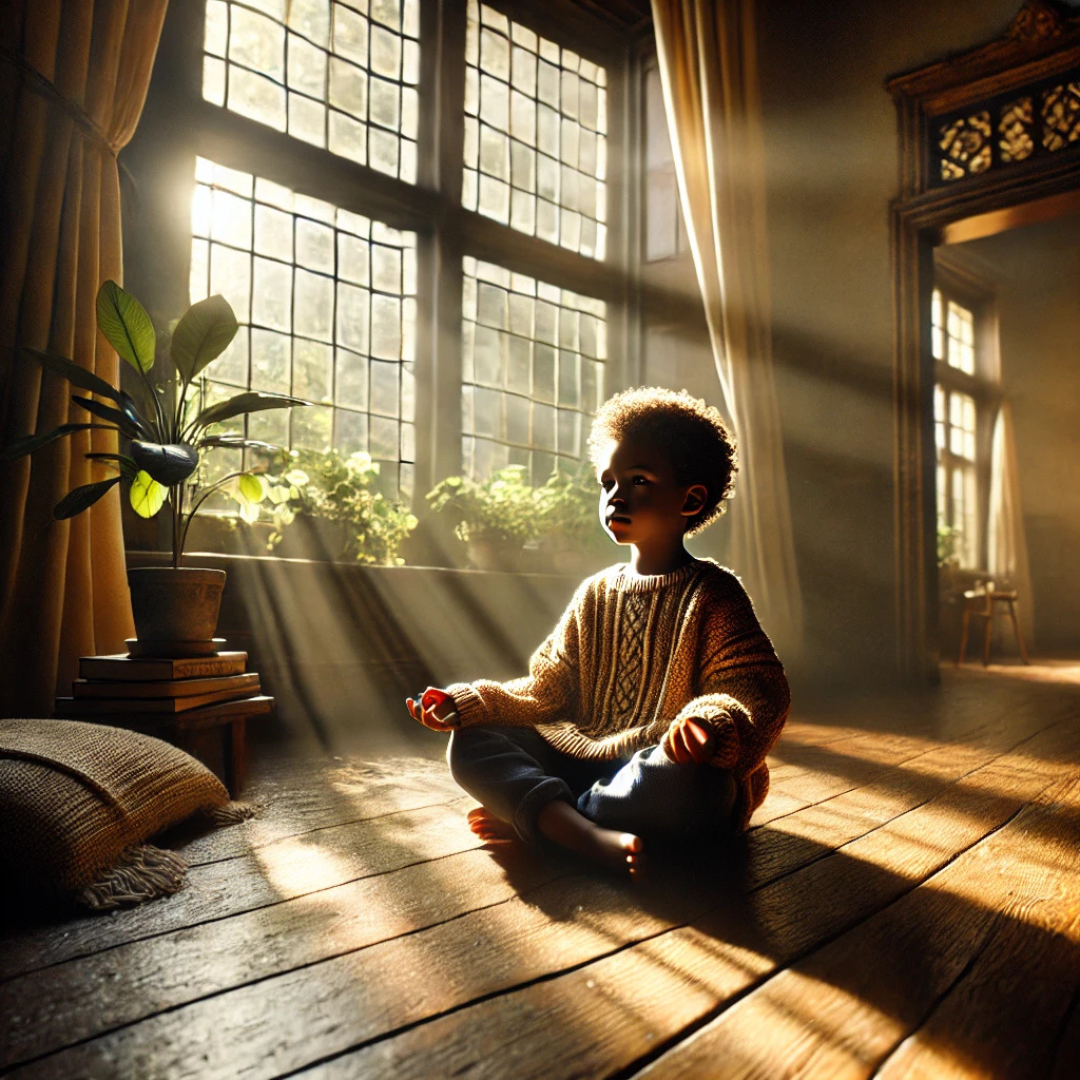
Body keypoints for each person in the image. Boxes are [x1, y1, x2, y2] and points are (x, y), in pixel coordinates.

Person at [406, 386, 790, 877]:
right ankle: (572, 825)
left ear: (691, 498)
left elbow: (757, 688)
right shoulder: (595, 593)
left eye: (638, 480)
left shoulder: (713, 595)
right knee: (470, 742)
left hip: (650, 772)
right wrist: (476, 703)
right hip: (575, 753)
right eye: (607, 482)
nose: (616, 497)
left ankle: (545, 818)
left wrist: (711, 725)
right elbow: (549, 687)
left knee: (705, 792)